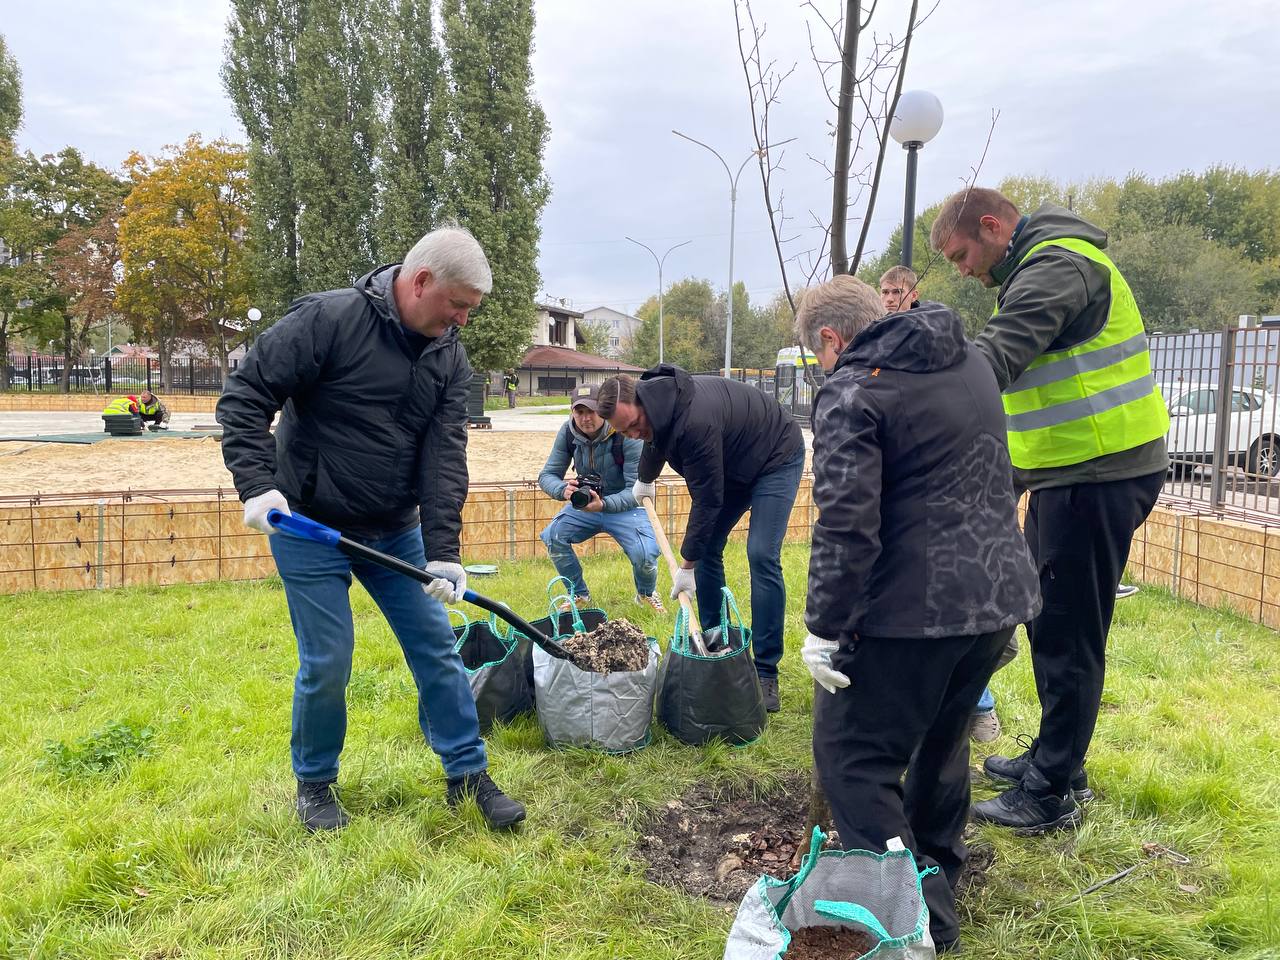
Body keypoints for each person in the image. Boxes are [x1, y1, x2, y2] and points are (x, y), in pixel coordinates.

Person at [216, 225, 525, 833]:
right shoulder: (329, 320)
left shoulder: (447, 356)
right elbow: (246, 395)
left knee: (436, 647)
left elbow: (444, 456)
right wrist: (257, 485)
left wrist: (443, 553)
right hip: (308, 524)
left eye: (470, 310)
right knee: (328, 658)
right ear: (420, 281)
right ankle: (315, 784)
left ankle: (467, 773)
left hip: (392, 529)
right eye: (458, 304)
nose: (463, 319)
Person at [797, 275, 1040, 953]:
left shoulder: (854, 388)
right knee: (941, 743)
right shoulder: (967, 361)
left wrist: (823, 625)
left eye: (818, 356)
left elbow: (846, 524)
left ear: (829, 338)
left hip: (913, 612)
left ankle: (914, 925)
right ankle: (939, 878)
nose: (824, 367)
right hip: (995, 598)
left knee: (854, 761)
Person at [931, 188, 1169, 833]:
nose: (964, 271)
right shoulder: (1039, 266)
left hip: (1098, 475)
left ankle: (1051, 793)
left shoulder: (1058, 268)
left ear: (992, 225)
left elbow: (995, 358)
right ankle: (1059, 758)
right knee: (1045, 620)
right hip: (1070, 474)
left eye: (962, 255)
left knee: (1067, 636)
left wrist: (915, 395)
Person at [596, 366, 804, 713]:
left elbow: (708, 500)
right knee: (708, 547)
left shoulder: (695, 421)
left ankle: (766, 672)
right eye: (623, 431)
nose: (632, 434)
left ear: (641, 400)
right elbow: (654, 438)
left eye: (632, 425)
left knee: (761, 554)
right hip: (733, 461)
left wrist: (686, 566)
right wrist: (645, 478)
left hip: (775, 456)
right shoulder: (655, 411)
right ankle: (713, 643)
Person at [880, 265, 1005, 741]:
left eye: (898, 290)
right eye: (885, 291)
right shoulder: (881, 341)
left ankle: (979, 706)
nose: (891, 297)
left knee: (967, 605)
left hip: (959, 494)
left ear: (915, 292)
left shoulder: (938, 338)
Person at [537, 383, 665, 613]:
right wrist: (562, 490)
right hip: (585, 506)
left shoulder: (625, 433)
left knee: (645, 554)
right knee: (552, 536)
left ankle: (646, 594)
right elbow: (547, 475)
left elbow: (636, 489)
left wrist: (604, 504)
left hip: (626, 505)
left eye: (592, 411)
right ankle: (578, 595)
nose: (586, 418)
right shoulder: (567, 433)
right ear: (572, 412)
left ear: (603, 411)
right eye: (580, 412)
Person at [102, 389, 170, 429]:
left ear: (150, 397)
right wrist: (141, 424)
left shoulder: (158, 402)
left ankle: (157, 425)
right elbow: (135, 413)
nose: (142, 399)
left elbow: (167, 412)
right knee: (136, 413)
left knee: (160, 413)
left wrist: (165, 422)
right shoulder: (138, 401)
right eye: (142, 397)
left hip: (153, 416)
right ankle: (142, 424)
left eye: (144, 397)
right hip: (143, 416)